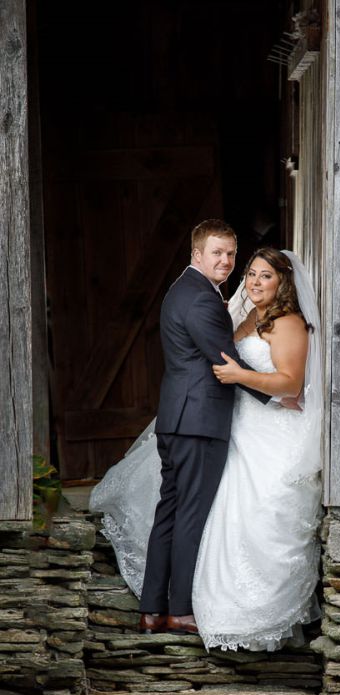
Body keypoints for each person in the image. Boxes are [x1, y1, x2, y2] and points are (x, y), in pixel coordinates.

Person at [90, 246, 323, 651]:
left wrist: (240, 376)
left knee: (252, 511)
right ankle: (184, 603)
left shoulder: (288, 323)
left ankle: (234, 611)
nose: (254, 282)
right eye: (251, 274)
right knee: (205, 509)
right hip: (233, 421)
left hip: (269, 430)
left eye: (265, 276)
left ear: (283, 282)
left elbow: (291, 384)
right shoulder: (248, 317)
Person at [132, 219, 271, 636]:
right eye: (217, 252)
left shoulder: (185, 290)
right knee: (190, 517)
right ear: (197, 254)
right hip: (199, 422)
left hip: (178, 419)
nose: (226, 261)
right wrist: (277, 395)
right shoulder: (200, 299)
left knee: (170, 514)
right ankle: (180, 611)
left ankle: (151, 610)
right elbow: (226, 361)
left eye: (231, 253)